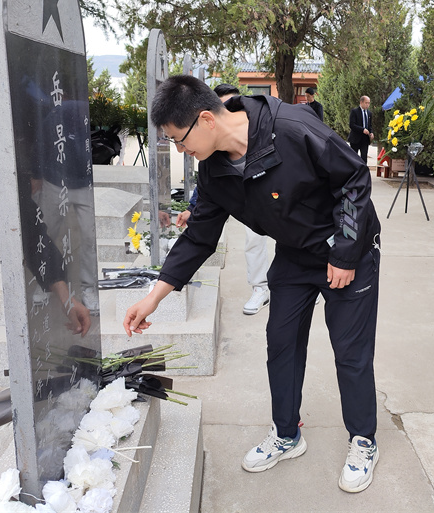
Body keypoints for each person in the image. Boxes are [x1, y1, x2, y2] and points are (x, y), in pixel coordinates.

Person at [124, 75, 382, 493]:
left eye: (178, 139)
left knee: (350, 353)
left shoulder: (292, 127)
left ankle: (364, 439)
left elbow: (354, 179)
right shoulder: (214, 173)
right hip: (295, 255)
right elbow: (199, 237)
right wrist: (154, 298)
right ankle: (287, 433)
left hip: (346, 249)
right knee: (281, 344)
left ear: (206, 119)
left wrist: (346, 253)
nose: (180, 150)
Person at [175, 83, 271, 315]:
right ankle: (260, 287)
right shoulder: (212, 150)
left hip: (275, 193)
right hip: (247, 202)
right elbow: (207, 186)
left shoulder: (262, 128)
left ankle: (303, 283)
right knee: (254, 238)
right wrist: (192, 209)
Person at [348, 95, 373, 164]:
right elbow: (352, 125)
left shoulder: (369, 113)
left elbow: (370, 125)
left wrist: (371, 132)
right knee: (353, 158)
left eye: (369, 103)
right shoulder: (354, 112)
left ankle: (363, 170)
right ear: (361, 102)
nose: (367, 105)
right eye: (366, 103)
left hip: (365, 139)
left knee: (364, 158)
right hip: (355, 138)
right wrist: (362, 129)